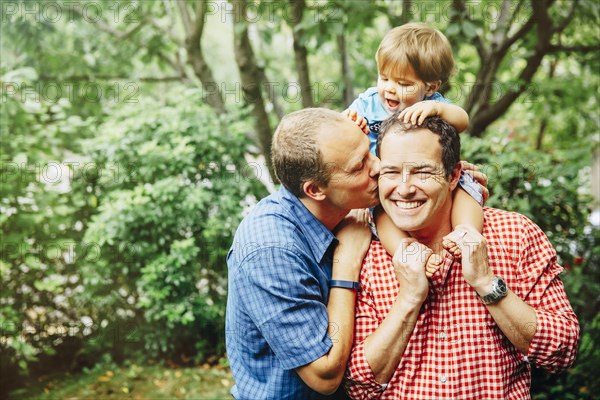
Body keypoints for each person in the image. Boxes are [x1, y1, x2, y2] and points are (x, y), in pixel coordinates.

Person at [344, 115, 580, 399]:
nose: (404, 189)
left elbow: (562, 351)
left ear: (454, 175)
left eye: (422, 172)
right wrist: (408, 300)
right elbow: (358, 386)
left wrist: (487, 283)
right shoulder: (364, 254)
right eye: (391, 172)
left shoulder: (516, 235)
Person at [225, 108, 379, 399]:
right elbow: (325, 375)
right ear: (316, 189)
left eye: (369, 149)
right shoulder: (269, 249)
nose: (379, 166)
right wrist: (346, 264)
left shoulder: (349, 200)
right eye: (359, 166)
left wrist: (458, 182)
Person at [345, 22, 483, 278]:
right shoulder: (368, 102)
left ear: (430, 87)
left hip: (426, 170)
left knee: (467, 184)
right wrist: (352, 122)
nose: (390, 88)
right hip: (385, 176)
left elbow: (462, 120)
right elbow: (342, 126)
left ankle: (466, 234)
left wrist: (438, 110)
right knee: (378, 212)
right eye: (384, 77)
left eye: (404, 83)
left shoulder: (433, 103)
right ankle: (406, 250)